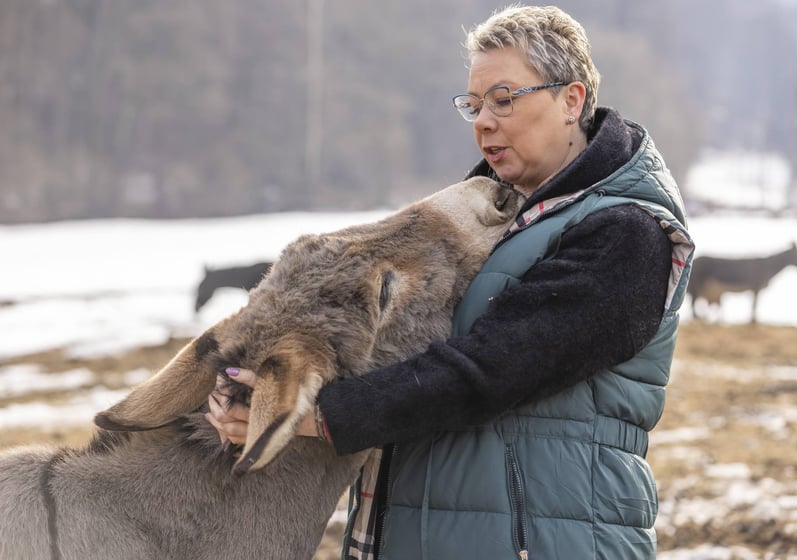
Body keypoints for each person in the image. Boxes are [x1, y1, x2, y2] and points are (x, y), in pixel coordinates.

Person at [207, 5, 694, 559]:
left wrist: (311, 416)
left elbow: (490, 371)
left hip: (544, 541)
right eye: (475, 104)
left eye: (505, 99)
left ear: (572, 100)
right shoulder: (480, 222)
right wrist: (260, 384)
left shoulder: (625, 233)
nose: (484, 121)